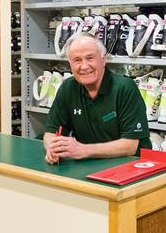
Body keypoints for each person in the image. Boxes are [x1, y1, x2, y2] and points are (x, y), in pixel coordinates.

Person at [43, 33, 151, 164]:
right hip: (88, 165)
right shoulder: (68, 88)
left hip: (132, 165)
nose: (84, 66)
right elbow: (51, 132)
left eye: (90, 58)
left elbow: (130, 145)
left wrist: (83, 150)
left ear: (103, 59)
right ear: (70, 64)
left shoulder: (125, 88)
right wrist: (52, 148)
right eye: (77, 60)